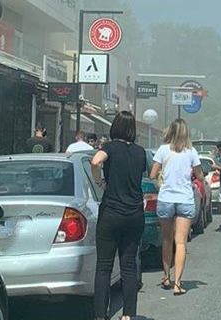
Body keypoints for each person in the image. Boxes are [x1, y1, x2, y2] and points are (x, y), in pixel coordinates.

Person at [90, 111, 147, 320]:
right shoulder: (141, 152)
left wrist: (100, 182)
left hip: (112, 212)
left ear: (115, 127)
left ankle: (99, 315)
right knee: (129, 266)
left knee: (104, 266)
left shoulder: (110, 148)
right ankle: (128, 315)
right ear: (132, 129)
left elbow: (95, 161)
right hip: (134, 213)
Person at [150, 118, 204, 296]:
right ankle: (178, 283)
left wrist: (162, 176)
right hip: (185, 199)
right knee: (181, 242)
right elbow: (200, 175)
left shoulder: (163, 150)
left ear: (170, 131)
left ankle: (166, 276)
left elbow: (152, 173)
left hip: (166, 198)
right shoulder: (191, 152)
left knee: (166, 239)